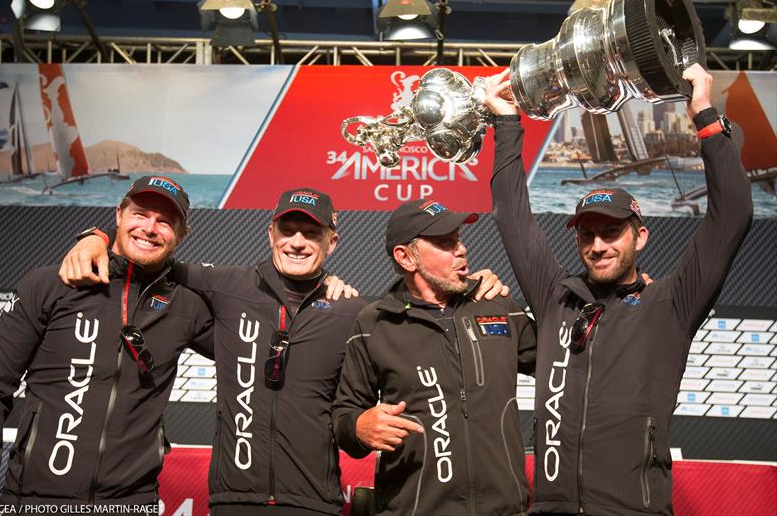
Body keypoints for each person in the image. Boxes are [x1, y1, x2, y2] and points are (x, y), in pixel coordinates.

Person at [60, 188, 509, 515]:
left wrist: (473, 292)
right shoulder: (225, 286)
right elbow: (146, 255)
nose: (297, 241)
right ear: (271, 232)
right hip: (234, 501)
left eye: (310, 232)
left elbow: (356, 407)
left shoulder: (353, 312)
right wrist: (94, 235)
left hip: (315, 503)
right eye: (288, 228)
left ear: (332, 242)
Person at [484, 64, 752, 515]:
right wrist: (508, 122)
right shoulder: (555, 299)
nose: (599, 245)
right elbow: (513, 217)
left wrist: (705, 113)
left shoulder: (670, 304)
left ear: (639, 236)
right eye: (587, 234)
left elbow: (731, 216)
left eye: (612, 232)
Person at [0, 176, 214, 511]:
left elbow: (254, 346)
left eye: (164, 221)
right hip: (33, 499)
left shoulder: (186, 304)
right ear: (118, 215)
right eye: (140, 214)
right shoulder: (52, 284)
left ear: (182, 234)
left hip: (131, 504)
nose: (149, 228)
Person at [332, 199, 537, 516]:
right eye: (445, 242)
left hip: (505, 510)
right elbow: (344, 416)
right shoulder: (373, 323)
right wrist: (358, 427)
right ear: (406, 257)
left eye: (458, 239)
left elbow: (564, 364)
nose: (461, 249)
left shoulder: (497, 305)